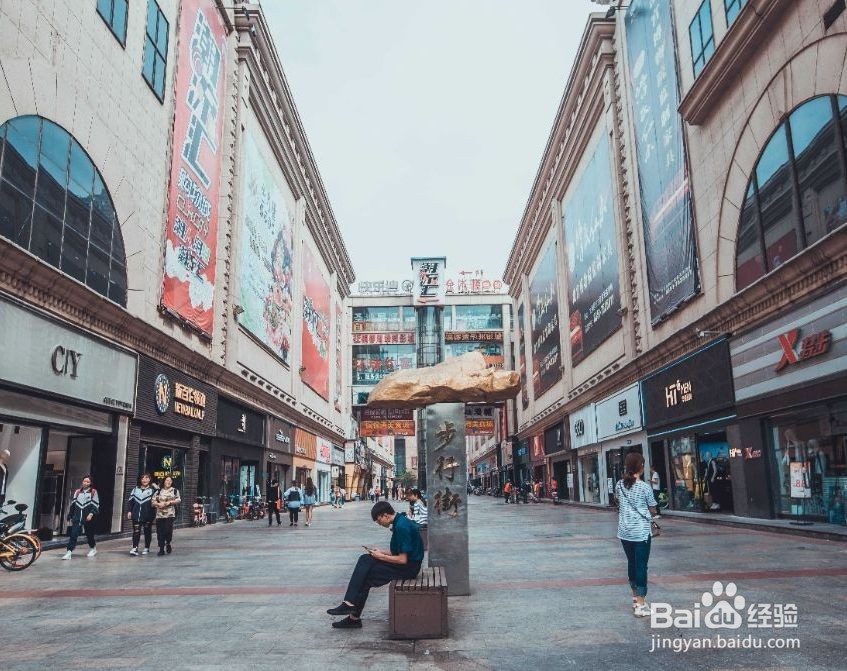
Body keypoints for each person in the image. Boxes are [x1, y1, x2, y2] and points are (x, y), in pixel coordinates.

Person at [326, 501, 423, 629]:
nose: (379, 523)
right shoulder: (399, 521)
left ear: (386, 515)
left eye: (378, 520)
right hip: (408, 564)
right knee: (366, 559)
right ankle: (350, 609)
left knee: (366, 573)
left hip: (408, 568)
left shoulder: (401, 527)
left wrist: (381, 557)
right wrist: (381, 552)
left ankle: (351, 611)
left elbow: (402, 560)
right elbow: (401, 552)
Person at [616, 452, 658, 618]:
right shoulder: (645, 487)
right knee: (641, 565)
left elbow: (619, 502)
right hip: (640, 532)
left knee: (632, 563)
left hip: (624, 531)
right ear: (640, 467)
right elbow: (653, 508)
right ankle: (641, 604)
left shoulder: (620, 484)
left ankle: (635, 598)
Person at [61, 476, 99, 560]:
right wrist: (70, 515)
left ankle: (93, 548)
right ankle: (69, 552)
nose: (85, 483)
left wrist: (91, 514)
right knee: (73, 534)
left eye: (87, 482)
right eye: (84, 481)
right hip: (77, 517)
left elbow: (96, 504)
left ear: (90, 483)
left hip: (88, 517)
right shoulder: (77, 492)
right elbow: (73, 504)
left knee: (89, 535)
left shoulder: (93, 492)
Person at [127, 473, 156, 556]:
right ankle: (135, 548)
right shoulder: (135, 489)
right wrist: (129, 511)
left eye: (147, 478)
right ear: (140, 480)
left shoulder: (152, 490)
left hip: (148, 515)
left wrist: (156, 487)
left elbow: (158, 498)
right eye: (143, 478)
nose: (144, 480)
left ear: (150, 479)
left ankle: (147, 547)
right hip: (136, 515)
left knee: (147, 532)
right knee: (136, 531)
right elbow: (130, 501)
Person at [153, 475, 181, 556]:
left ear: (172, 482)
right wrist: (158, 504)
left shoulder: (175, 491)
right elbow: (153, 501)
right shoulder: (158, 491)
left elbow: (178, 499)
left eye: (170, 481)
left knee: (168, 530)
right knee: (160, 532)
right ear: (164, 481)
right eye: (167, 480)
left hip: (170, 514)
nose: (168, 482)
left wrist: (169, 502)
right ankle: (161, 549)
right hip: (159, 515)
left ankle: (168, 543)